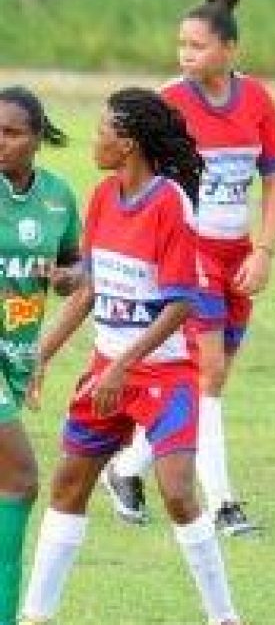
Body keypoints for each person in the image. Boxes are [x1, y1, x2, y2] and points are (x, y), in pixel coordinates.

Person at [19, 88, 241, 625]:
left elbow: (183, 300)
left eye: (102, 130)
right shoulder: (101, 197)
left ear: (129, 143)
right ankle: (34, 616)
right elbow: (91, 285)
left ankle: (224, 617)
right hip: (107, 370)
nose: (94, 139)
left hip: (163, 372)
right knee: (69, 484)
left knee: (178, 493)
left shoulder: (170, 204)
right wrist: (43, 351)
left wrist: (124, 365)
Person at [104, 0, 275, 537]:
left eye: (197, 45)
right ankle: (225, 506)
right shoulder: (166, 104)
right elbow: (131, 178)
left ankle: (127, 467)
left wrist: (263, 251)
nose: (185, 55)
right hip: (191, 253)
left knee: (214, 379)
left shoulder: (257, 100)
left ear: (229, 49)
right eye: (180, 45)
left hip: (236, 254)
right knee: (206, 372)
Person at [0, 87, 81, 624]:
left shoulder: (58, 196)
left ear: (36, 139)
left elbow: (79, 272)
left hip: (16, 357)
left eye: (12, 133)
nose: (0, 143)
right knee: (21, 479)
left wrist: (71, 276)